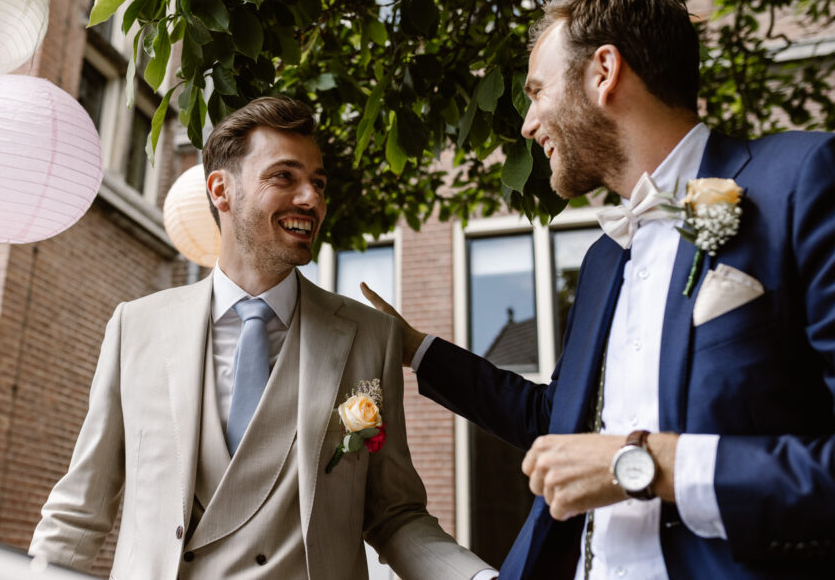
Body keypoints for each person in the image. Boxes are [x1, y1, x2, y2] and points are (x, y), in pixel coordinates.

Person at [363, 0, 835, 579]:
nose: (528, 124)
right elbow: (554, 419)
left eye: (537, 92)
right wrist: (414, 348)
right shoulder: (602, 261)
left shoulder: (802, 182)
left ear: (604, 72)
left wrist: (645, 464)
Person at [29, 96, 492, 579]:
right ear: (221, 191)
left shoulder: (370, 337)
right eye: (284, 177)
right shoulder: (136, 327)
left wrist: (479, 579)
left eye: (318, 183)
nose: (311, 199)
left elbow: (395, 515)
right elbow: (80, 510)